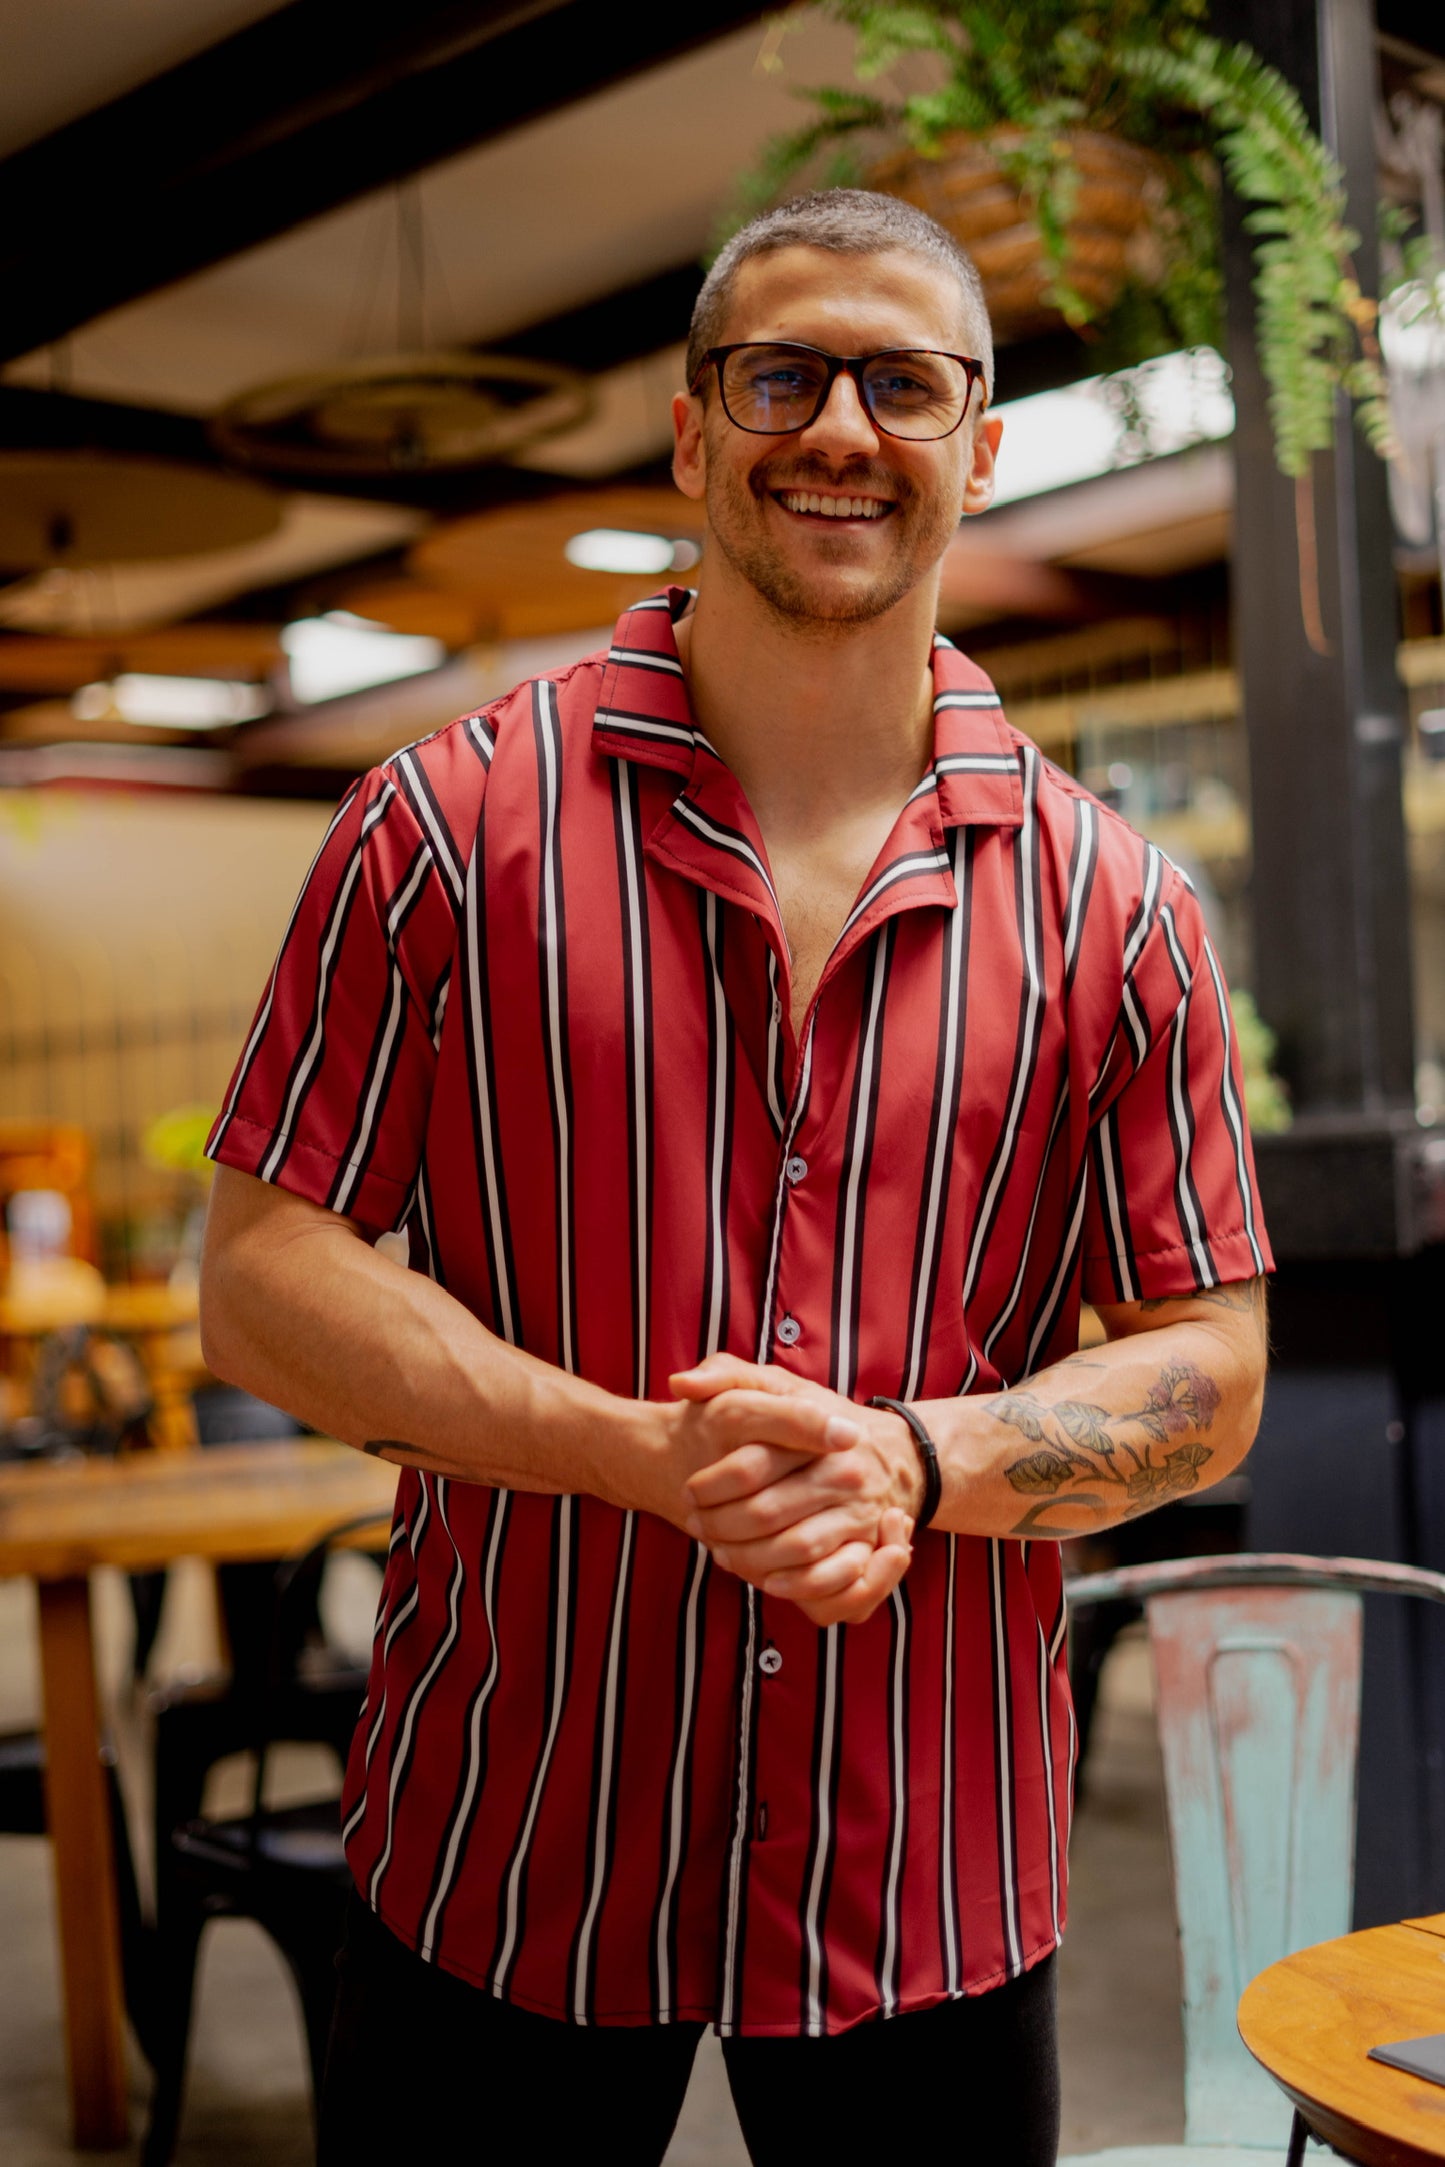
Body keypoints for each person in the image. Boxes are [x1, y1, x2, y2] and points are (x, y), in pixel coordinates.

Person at [200, 189, 1271, 2165]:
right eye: (782, 374)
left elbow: (1210, 1362)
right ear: (694, 434)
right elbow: (262, 1271)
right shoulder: (442, 829)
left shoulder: (1118, 906)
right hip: (510, 1836)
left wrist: (918, 1465)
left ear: (981, 447)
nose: (841, 428)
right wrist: (626, 1448)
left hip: (926, 1867)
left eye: (903, 382)